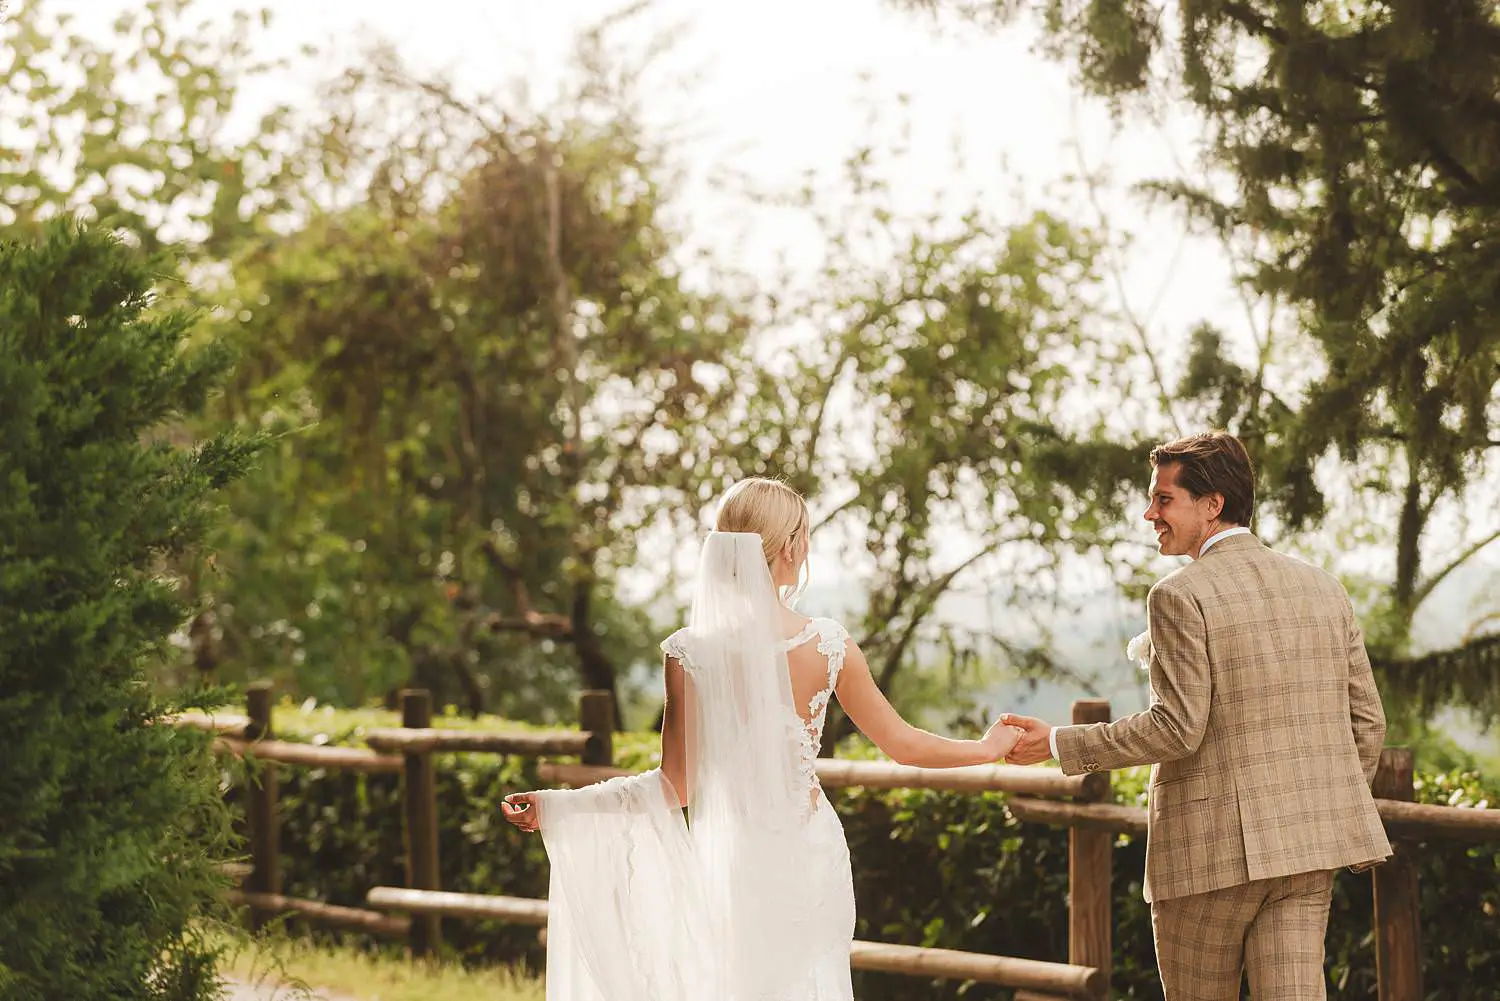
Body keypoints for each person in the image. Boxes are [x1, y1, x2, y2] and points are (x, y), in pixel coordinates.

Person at [501, 477, 1023, 1001]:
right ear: (791, 546)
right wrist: (984, 748)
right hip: (808, 849)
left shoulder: (689, 653)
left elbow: (675, 788)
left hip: (732, 858)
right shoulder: (827, 644)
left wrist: (565, 806)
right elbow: (903, 743)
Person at [1002, 431, 1390, 1000]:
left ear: (1213, 506)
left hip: (1207, 858)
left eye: (1164, 499)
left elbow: (1176, 728)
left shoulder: (1179, 595)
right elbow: (1368, 724)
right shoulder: (1324, 589)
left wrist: (1060, 743)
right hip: (1306, 854)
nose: (1148, 513)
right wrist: (1317, 808)